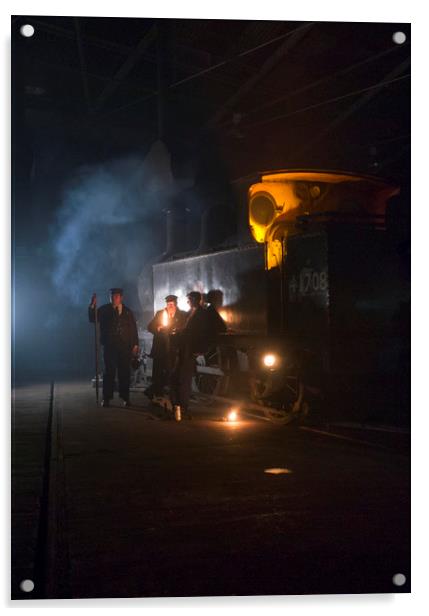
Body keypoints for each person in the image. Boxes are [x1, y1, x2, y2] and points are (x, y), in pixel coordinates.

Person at [88, 288, 139, 407]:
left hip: (125, 346)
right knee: (108, 372)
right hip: (110, 346)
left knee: (124, 373)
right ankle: (106, 398)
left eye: (116, 296)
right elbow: (92, 319)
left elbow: (133, 329)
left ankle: (125, 398)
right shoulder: (104, 310)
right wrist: (92, 305)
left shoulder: (127, 312)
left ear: (121, 298)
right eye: (112, 296)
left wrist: (135, 344)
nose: (113, 298)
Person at [170, 291, 208, 420]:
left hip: (190, 349)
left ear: (195, 300)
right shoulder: (190, 313)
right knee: (178, 376)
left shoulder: (201, 314)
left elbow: (202, 333)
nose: (188, 302)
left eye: (189, 299)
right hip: (183, 348)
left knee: (185, 379)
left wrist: (200, 350)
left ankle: (183, 406)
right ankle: (178, 404)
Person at [145, 294, 187, 399]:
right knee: (158, 372)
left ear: (176, 304)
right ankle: (156, 394)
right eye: (168, 304)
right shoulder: (160, 314)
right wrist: (158, 328)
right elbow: (150, 327)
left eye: (172, 304)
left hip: (174, 350)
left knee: (172, 373)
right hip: (160, 349)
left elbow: (185, 330)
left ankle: (172, 396)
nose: (170, 306)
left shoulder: (181, 315)